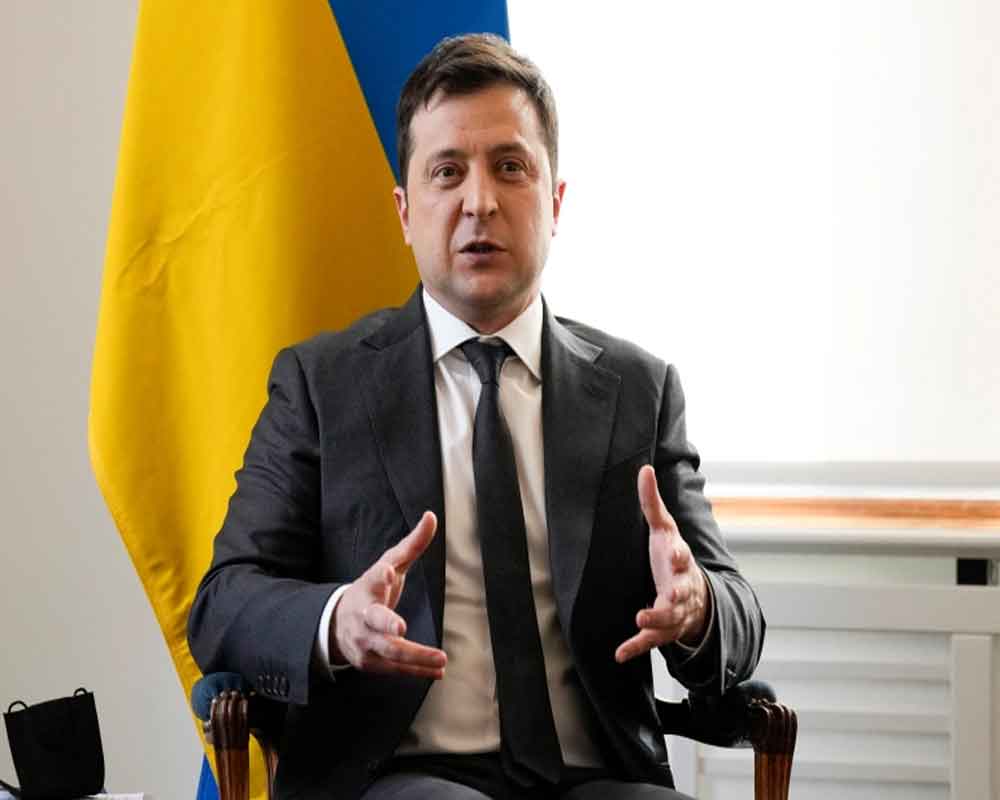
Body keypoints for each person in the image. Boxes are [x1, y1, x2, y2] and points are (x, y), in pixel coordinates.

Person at [188, 33, 764, 800]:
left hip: (597, 777)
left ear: (555, 203)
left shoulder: (638, 389)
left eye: (510, 167)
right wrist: (336, 619)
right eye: (447, 172)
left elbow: (738, 613)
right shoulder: (321, 385)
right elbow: (222, 604)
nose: (480, 202)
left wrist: (696, 610)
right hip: (395, 776)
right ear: (404, 212)